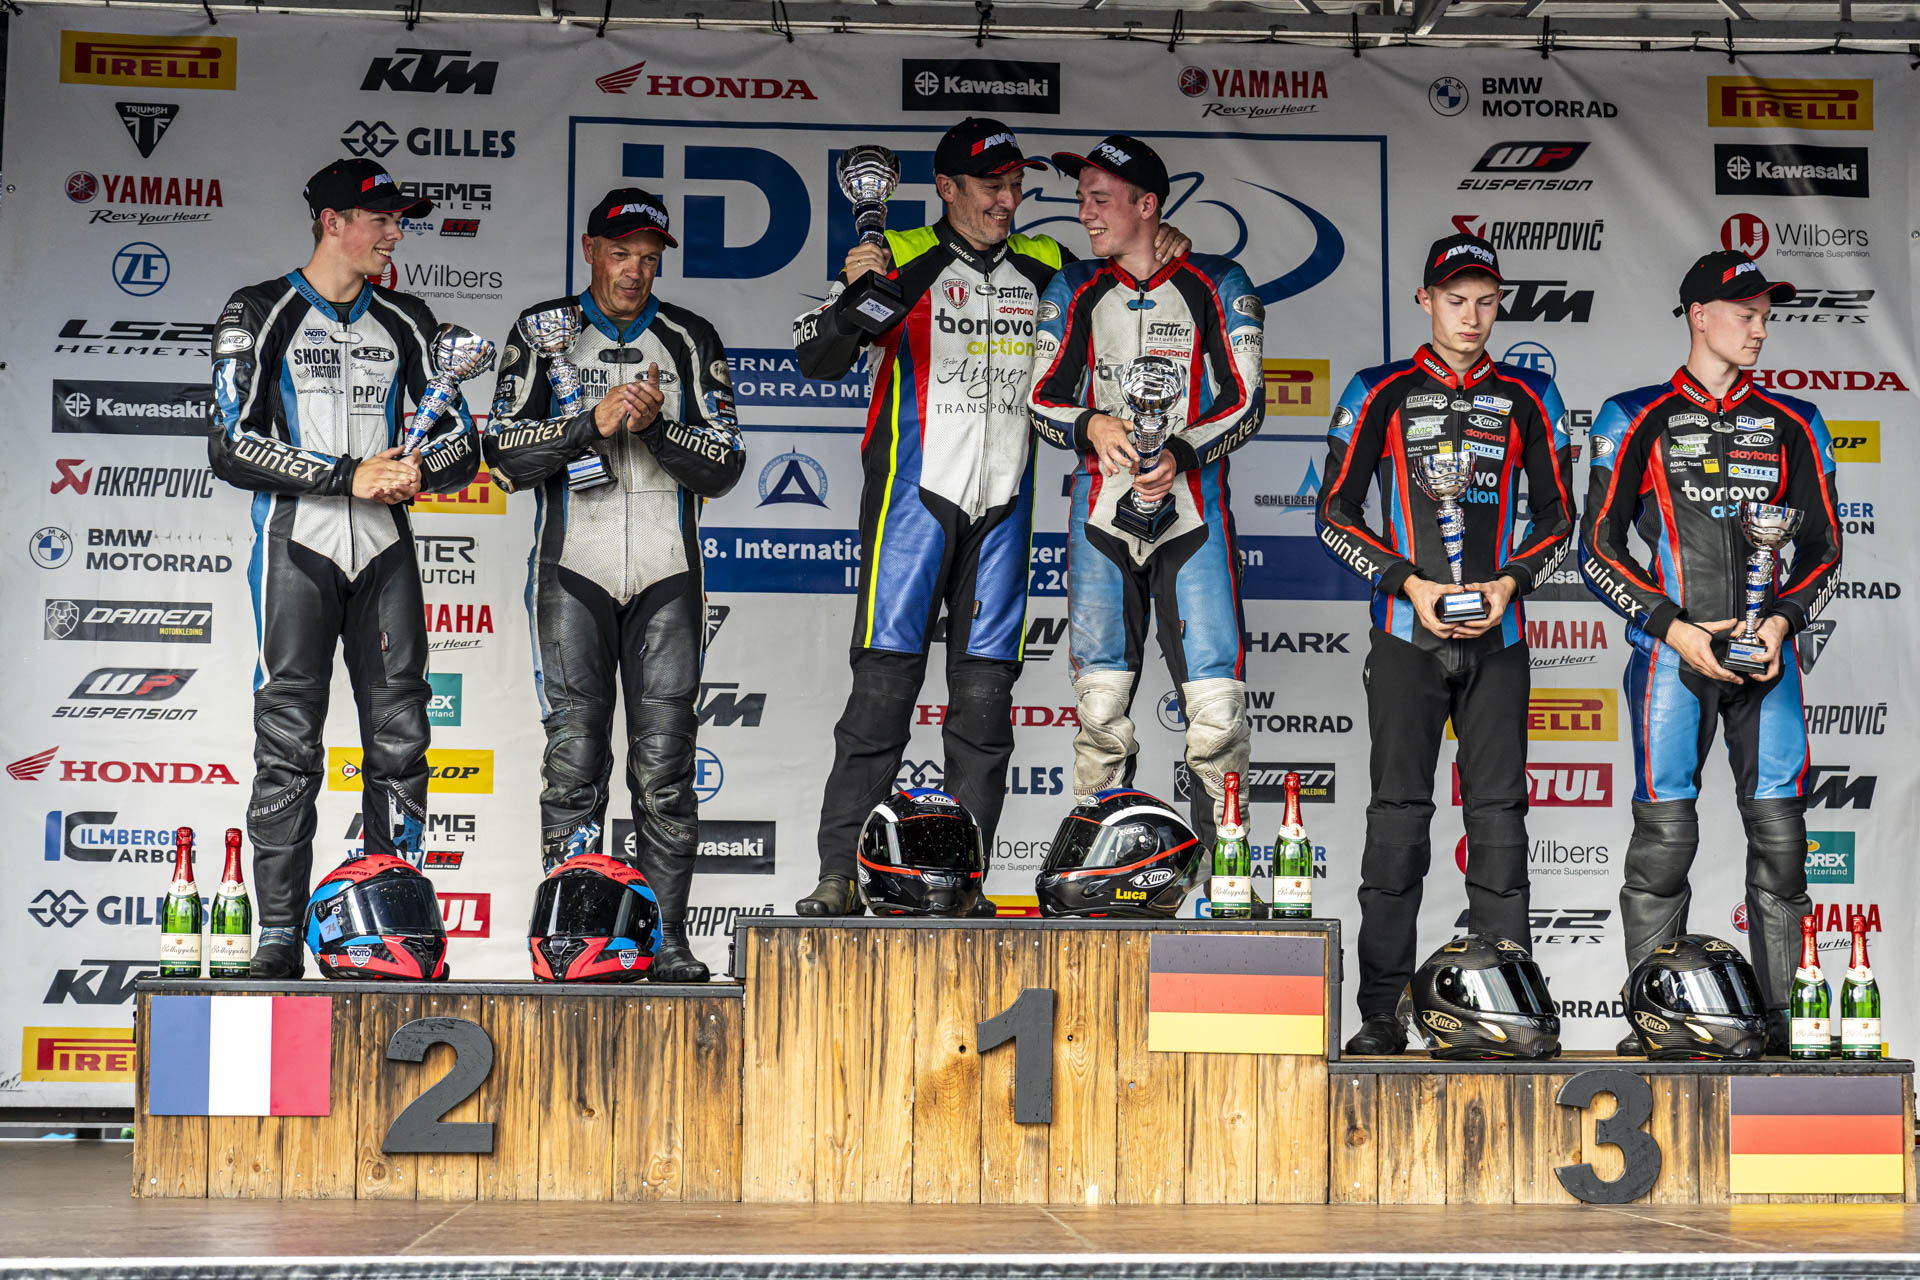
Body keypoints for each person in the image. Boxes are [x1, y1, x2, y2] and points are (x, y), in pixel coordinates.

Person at [789, 119, 1187, 916]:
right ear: (946, 188)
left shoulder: (1047, 264)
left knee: (983, 712)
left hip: (1004, 511)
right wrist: (857, 293)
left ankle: (961, 884)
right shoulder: (897, 253)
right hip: (911, 503)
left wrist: (1163, 242)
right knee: (880, 701)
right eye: (990, 186)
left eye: (1015, 185)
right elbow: (817, 358)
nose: (1007, 200)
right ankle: (839, 876)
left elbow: (1132, 284)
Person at [209, 157, 480, 979]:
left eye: (400, 220)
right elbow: (230, 442)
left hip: (385, 550)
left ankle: (393, 924)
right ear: (333, 222)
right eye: (382, 219)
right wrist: (347, 475)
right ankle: (278, 936)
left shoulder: (407, 317)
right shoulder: (259, 310)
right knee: (288, 744)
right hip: (298, 546)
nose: (396, 233)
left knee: (400, 742)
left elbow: (461, 441)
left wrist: (416, 473)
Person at [1316, 232, 1575, 1055]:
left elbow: (1560, 517)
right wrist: (1410, 585)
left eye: (1486, 302)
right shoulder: (1378, 390)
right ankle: (1379, 1014)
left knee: (1499, 822)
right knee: (1398, 822)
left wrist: (1509, 584)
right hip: (1406, 637)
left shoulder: (1531, 395)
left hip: (1499, 638)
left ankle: (1507, 1009)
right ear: (1425, 300)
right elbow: (1334, 512)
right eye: (1456, 300)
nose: (1471, 316)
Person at [1581, 249, 1842, 1053]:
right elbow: (1597, 548)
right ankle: (1657, 1017)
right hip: (1674, 658)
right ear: (1700, 316)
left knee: (1783, 841)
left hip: (1767, 660)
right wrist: (1676, 629)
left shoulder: (1796, 421)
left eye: (1766, 316)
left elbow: (1826, 548)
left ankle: (1785, 1027)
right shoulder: (1634, 415)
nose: (1761, 329)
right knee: (1665, 842)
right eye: (1746, 314)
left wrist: (1782, 623)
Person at [486, 188, 743, 983]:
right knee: (575, 764)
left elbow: (726, 465)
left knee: (665, 770)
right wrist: (588, 425)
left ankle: (666, 941)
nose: (635, 271)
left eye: (650, 259)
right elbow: (502, 456)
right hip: (574, 572)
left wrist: (656, 428)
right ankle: (573, 936)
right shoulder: (543, 332)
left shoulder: (690, 337)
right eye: (622, 253)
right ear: (591, 250)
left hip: (668, 575)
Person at [1029, 134, 1264, 851]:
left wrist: (1181, 452)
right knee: (1100, 712)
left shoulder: (1218, 281)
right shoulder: (1072, 287)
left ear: (1147, 205)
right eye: (1082, 199)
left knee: (1217, 712)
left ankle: (1227, 881)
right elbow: (1041, 399)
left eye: (1100, 199)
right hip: (1102, 512)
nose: (1085, 213)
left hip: (1193, 513)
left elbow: (1247, 401)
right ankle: (1100, 874)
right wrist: (1093, 424)